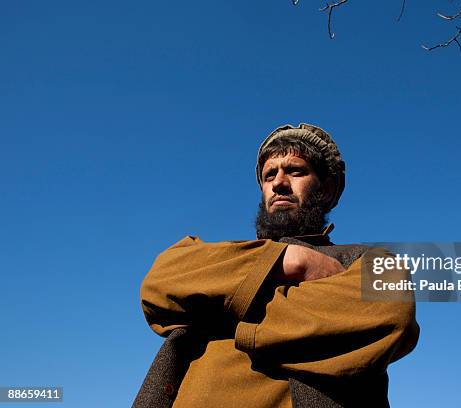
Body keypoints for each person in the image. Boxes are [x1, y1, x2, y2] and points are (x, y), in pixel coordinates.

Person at [133, 123, 419, 408]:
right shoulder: (217, 254)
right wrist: (289, 261)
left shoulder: (366, 259)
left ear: (328, 190)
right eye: (270, 174)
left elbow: (391, 313)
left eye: (295, 171)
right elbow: (160, 281)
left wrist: (233, 317)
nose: (279, 183)